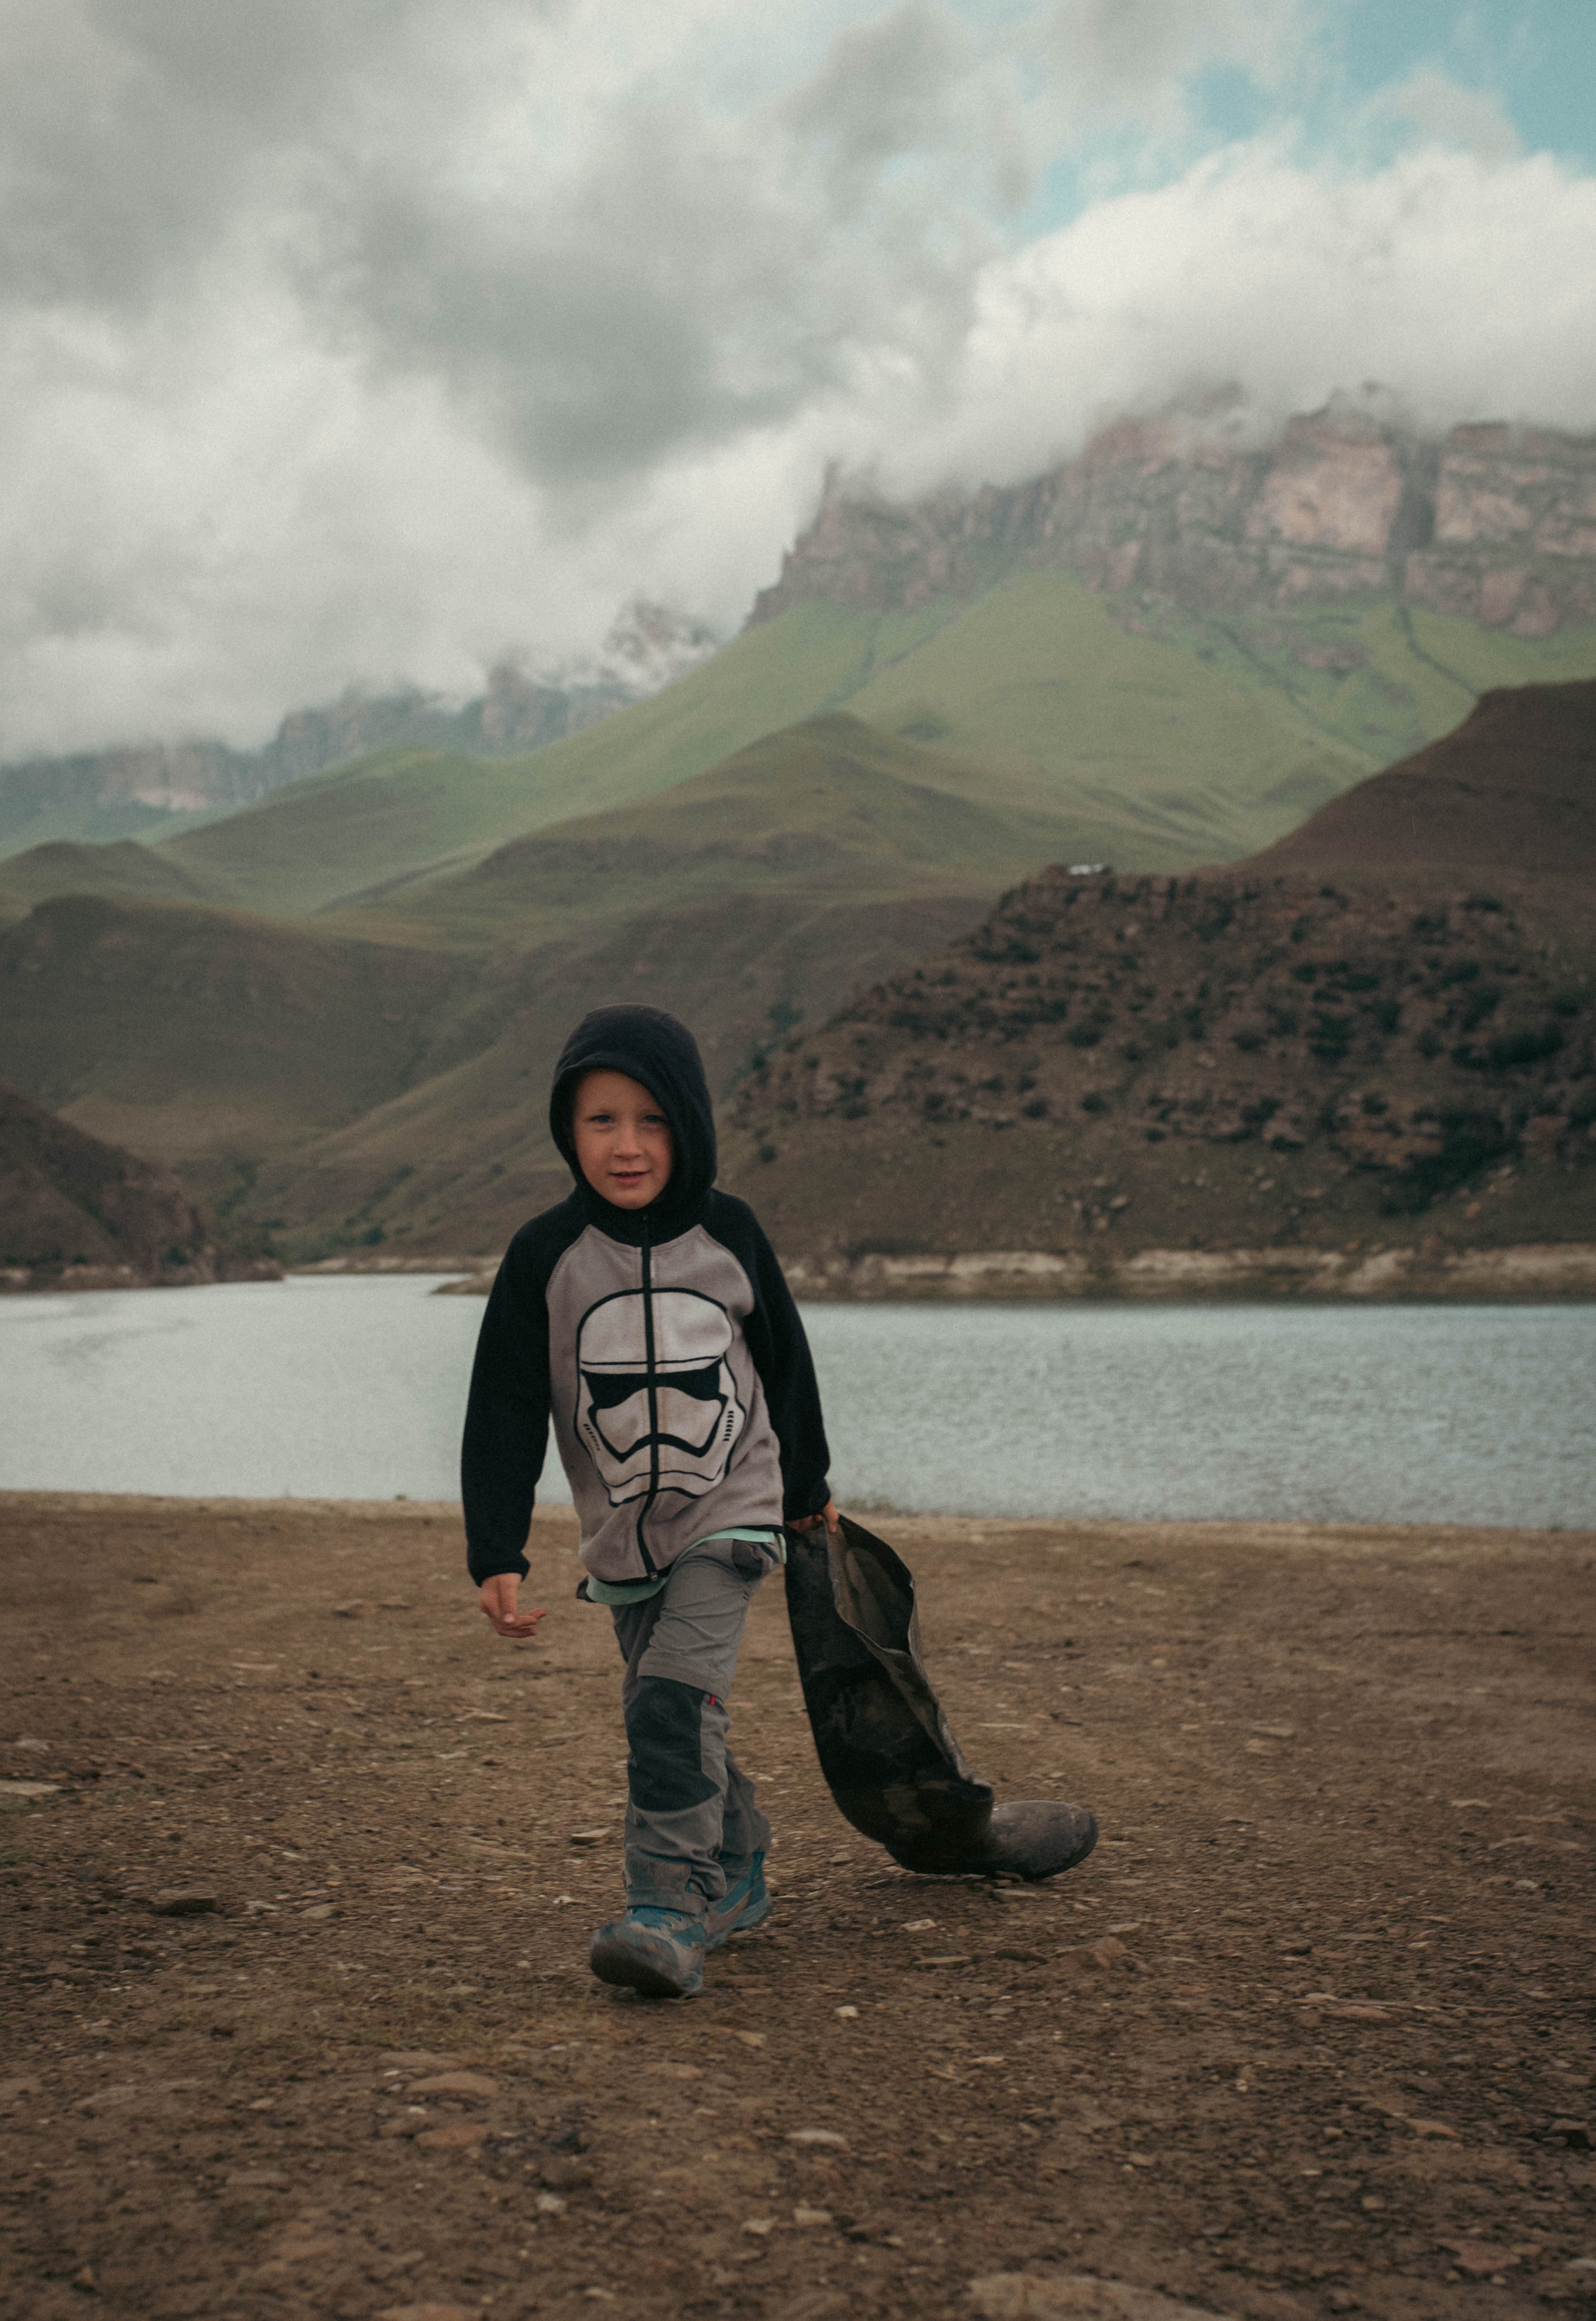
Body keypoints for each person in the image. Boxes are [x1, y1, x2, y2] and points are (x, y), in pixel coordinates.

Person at [461, 1004, 835, 1999]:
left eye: (651, 1119)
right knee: (668, 1704)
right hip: (622, 1536)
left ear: (690, 1122)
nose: (627, 1145)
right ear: (565, 1129)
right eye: (600, 1121)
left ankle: (667, 1907)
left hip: (734, 1508)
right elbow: (503, 1407)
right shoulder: (545, 1254)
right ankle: (740, 1858)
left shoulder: (731, 1231)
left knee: (672, 1701)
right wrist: (495, 1545)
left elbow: (787, 1365)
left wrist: (806, 1489)